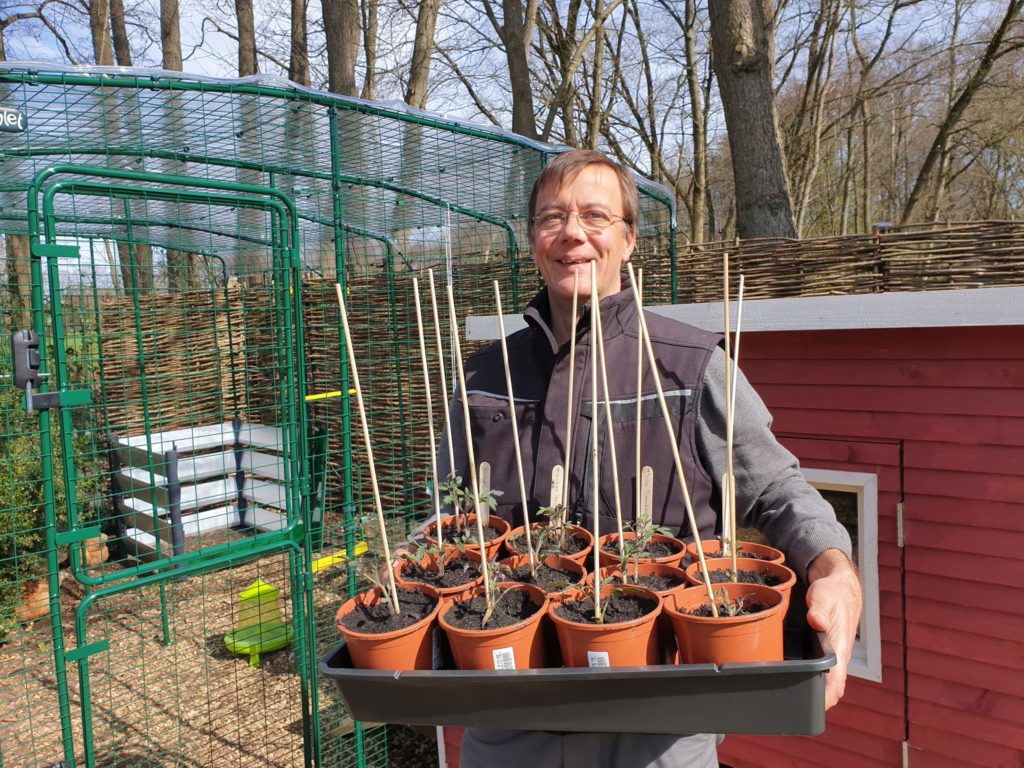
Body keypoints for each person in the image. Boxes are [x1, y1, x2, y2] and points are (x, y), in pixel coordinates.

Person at [427, 149, 862, 768]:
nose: (572, 232)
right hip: (513, 708)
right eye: (552, 217)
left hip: (664, 716)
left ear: (628, 240)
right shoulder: (485, 375)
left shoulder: (688, 365)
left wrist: (835, 567)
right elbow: (448, 523)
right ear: (532, 240)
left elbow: (777, 488)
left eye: (595, 216)